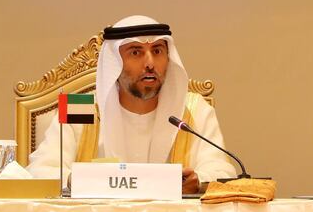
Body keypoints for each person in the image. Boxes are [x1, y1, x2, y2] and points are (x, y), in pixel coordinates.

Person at [28, 15, 236, 193]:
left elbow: (222, 171)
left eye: (157, 51)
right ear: (114, 62)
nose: (150, 64)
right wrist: (82, 180)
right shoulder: (80, 107)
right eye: (135, 52)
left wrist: (198, 181)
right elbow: (41, 171)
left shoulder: (193, 110)